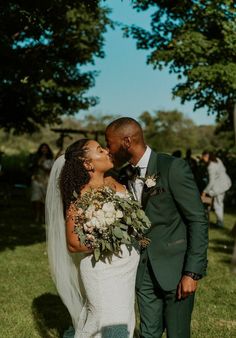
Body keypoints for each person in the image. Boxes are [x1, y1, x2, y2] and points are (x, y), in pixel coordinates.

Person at [105, 117, 208, 338]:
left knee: (177, 334)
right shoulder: (123, 175)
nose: (107, 149)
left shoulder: (173, 167)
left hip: (176, 270)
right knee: (148, 333)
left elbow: (198, 219)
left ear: (126, 141)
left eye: (109, 142)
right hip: (142, 271)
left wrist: (192, 272)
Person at [45, 139, 140, 338]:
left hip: (126, 269)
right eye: (100, 150)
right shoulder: (80, 197)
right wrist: (110, 238)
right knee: (105, 321)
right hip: (102, 271)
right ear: (88, 164)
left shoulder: (115, 181)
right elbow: (72, 244)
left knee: (125, 320)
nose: (107, 151)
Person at [201, 150, 232, 228]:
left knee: (217, 204)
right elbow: (224, 169)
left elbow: (211, 182)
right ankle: (219, 221)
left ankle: (220, 223)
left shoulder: (211, 166)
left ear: (206, 156)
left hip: (219, 186)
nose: (203, 159)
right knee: (219, 203)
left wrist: (204, 191)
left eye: (203, 157)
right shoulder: (217, 160)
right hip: (225, 182)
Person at [30, 143, 54, 223]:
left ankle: (44, 216)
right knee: (36, 199)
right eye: (42, 148)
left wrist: (42, 166)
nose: (44, 150)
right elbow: (33, 168)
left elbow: (50, 170)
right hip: (36, 180)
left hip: (46, 181)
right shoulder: (36, 158)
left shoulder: (50, 160)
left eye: (45, 148)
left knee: (44, 200)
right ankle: (37, 216)